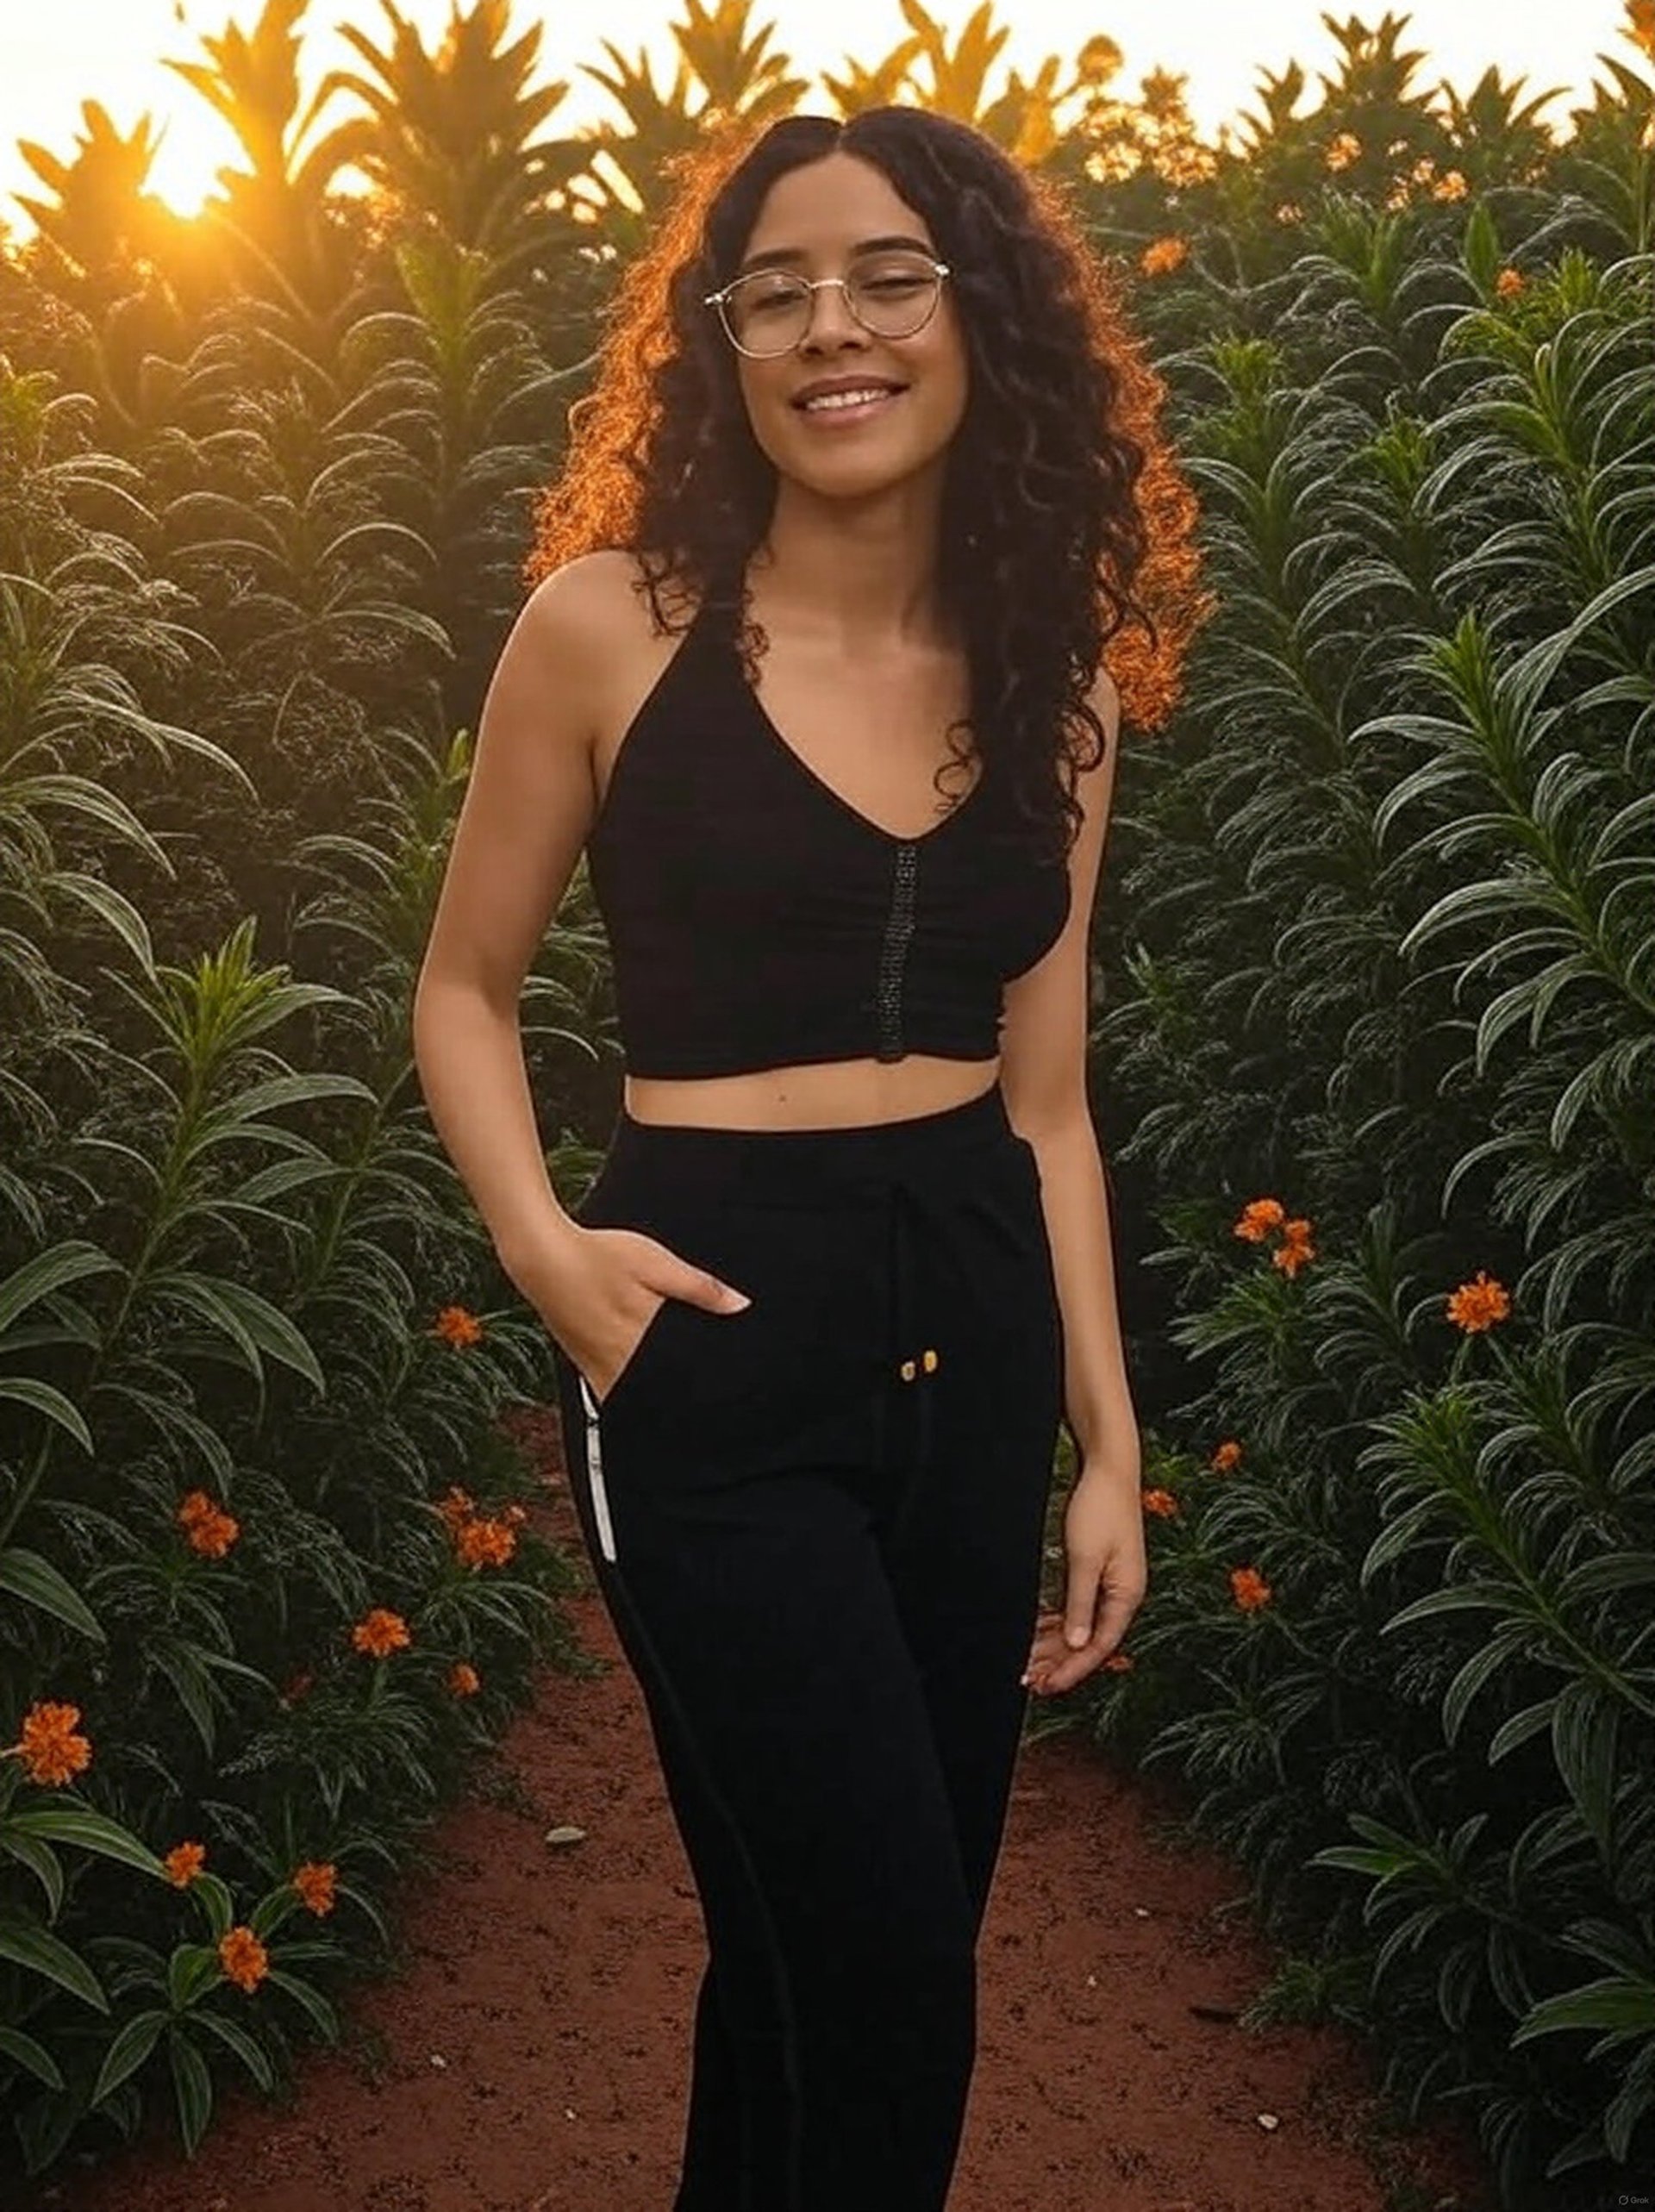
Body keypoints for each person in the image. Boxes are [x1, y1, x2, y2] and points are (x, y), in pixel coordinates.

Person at [413, 102, 1204, 2212]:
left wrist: (1109, 1442)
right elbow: (463, 992)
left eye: (884, 278)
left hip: (970, 1306)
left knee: (838, 1935)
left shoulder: (1062, 694)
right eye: (776, 288)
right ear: (721, 337)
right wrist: (552, 1256)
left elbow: (1048, 1100)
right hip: (707, 1315)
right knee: (885, 1969)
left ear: (983, 324)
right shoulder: (608, 628)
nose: (828, 328)